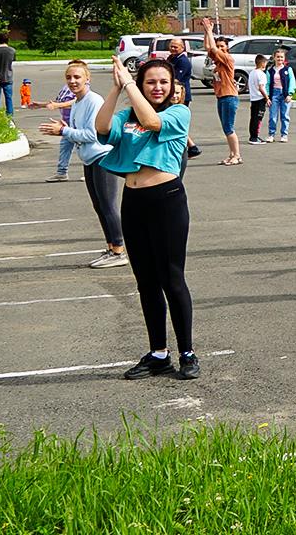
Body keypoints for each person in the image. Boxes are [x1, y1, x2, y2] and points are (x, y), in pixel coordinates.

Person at [95, 56, 197, 378]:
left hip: (166, 202)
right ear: (142, 85)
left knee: (172, 278)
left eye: (163, 82)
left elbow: (153, 122)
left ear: (172, 87)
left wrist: (129, 84)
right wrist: (115, 88)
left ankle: (187, 352)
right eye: (150, 82)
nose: (157, 87)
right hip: (134, 201)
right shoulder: (127, 116)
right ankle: (158, 353)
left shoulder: (178, 113)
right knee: (146, 283)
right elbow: (101, 129)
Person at [39, 60, 125, 269]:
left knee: (108, 205)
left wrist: (64, 131)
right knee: (99, 206)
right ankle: (111, 247)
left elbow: (92, 134)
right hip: (89, 159)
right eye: (69, 77)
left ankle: (119, 250)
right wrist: (67, 128)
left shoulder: (93, 100)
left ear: (88, 78)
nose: (73, 81)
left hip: (102, 157)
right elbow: (80, 131)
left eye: (77, 77)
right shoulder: (77, 101)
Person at [200, 19, 242, 167]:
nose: (219, 48)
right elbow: (208, 47)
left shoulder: (227, 59)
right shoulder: (218, 62)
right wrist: (206, 31)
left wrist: (211, 31)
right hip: (221, 97)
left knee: (229, 128)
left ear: (227, 48)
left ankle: (237, 155)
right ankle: (231, 154)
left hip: (229, 96)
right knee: (226, 128)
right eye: (218, 46)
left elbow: (213, 48)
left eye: (222, 46)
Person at [29, 77, 81, 182]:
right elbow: (59, 101)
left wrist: (58, 105)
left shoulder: (83, 86)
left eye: (75, 76)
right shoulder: (66, 87)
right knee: (65, 147)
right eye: (69, 76)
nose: (71, 79)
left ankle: (90, 171)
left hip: (78, 123)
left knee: (84, 148)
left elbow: (75, 101)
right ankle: (62, 173)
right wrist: (41, 105)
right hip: (67, 123)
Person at [166, 38, 199, 160]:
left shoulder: (183, 61)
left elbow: (176, 79)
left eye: (176, 47)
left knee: (178, 123)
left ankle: (190, 147)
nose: (173, 49)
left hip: (180, 96)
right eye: (171, 46)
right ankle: (191, 147)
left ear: (182, 48)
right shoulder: (172, 58)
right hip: (171, 95)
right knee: (174, 123)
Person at [267, 48, 295, 143]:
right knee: (273, 116)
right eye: (278, 57)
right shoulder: (270, 71)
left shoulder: (288, 69)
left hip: (284, 94)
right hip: (274, 94)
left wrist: (290, 94)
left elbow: (292, 82)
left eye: (281, 57)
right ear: (274, 57)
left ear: (284, 58)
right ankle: (271, 134)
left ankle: (284, 135)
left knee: (285, 115)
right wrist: (267, 97)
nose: (280, 59)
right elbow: (267, 84)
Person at [246, 54, 270, 145]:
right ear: (263, 63)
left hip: (253, 98)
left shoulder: (252, 73)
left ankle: (253, 135)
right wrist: (267, 98)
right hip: (260, 98)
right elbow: (261, 87)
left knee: (253, 118)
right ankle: (254, 137)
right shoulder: (261, 74)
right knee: (258, 118)